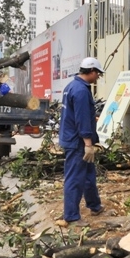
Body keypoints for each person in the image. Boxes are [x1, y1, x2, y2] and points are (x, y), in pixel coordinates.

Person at [56, 57, 105, 227]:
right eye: (97, 74)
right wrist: (88, 144)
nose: (98, 77)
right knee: (75, 179)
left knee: (88, 175)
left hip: (72, 137)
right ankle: (71, 216)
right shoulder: (82, 91)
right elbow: (82, 119)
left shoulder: (72, 86)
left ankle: (94, 205)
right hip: (77, 142)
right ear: (91, 72)